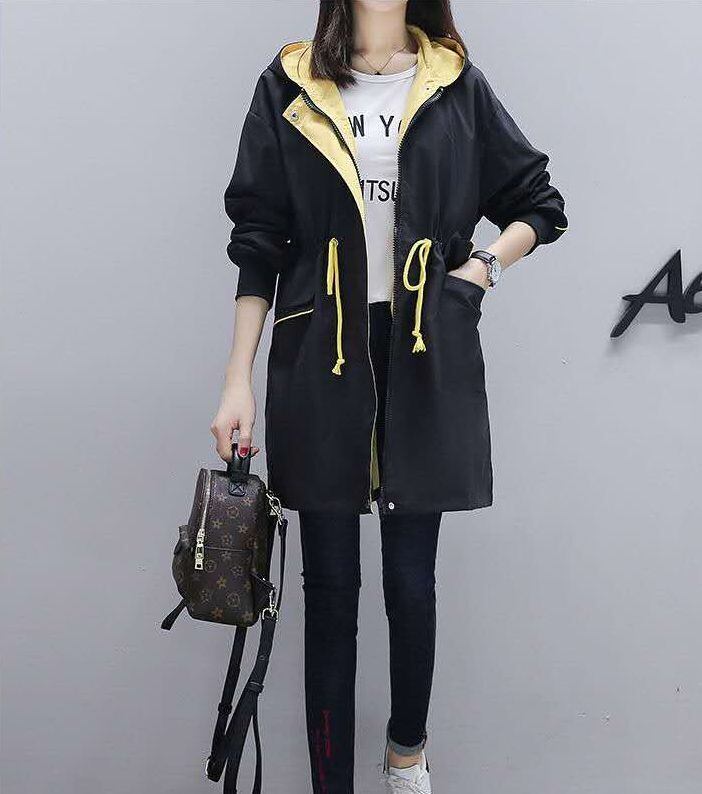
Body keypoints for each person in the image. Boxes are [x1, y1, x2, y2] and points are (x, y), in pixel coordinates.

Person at [211, 1, 568, 791]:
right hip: (321, 353)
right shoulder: (291, 82)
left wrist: (477, 274)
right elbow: (258, 241)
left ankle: (407, 756)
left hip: (422, 350)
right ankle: (331, 783)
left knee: (411, 580)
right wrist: (237, 378)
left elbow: (540, 205)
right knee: (330, 590)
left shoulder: (452, 83)